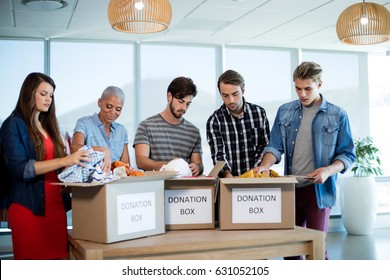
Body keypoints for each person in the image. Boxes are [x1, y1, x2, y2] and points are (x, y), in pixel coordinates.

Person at [255, 61, 356, 259]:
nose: (302, 94)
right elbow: (274, 146)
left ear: (319, 84)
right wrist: (265, 165)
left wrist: (327, 171)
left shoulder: (338, 115)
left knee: (316, 250)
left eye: (307, 89)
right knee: (291, 251)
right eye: (298, 88)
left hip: (319, 192)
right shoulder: (285, 111)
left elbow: (347, 154)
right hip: (291, 189)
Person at [0, 72, 91, 259]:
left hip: (56, 209)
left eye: (51, 95)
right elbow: (21, 169)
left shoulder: (49, 127)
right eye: (43, 94)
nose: (48, 99)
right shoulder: (12, 125)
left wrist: (75, 165)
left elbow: (57, 168)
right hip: (29, 210)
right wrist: (65, 160)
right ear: (29, 92)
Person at [133, 76, 203, 176]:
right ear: (169, 97)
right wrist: (171, 167)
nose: (184, 108)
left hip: (184, 188)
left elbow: (198, 164)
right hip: (155, 187)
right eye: (181, 101)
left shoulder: (193, 131)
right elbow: (141, 161)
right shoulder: (146, 126)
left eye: (188, 104)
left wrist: (197, 167)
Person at [206, 69, 270, 177]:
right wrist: (229, 180)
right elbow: (219, 156)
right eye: (225, 95)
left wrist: (255, 172)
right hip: (229, 181)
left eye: (235, 94)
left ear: (243, 90)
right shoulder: (215, 121)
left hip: (257, 178)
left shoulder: (259, 113)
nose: (230, 100)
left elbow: (265, 145)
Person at [71, 86, 133, 173]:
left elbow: (125, 164)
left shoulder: (121, 130)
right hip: (91, 181)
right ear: (99, 102)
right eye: (108, 106)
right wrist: (103, 150)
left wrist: (128, 169)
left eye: (118, 109)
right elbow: (75, 148)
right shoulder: (84, 123)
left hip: (115, 182)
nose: (112, 112)